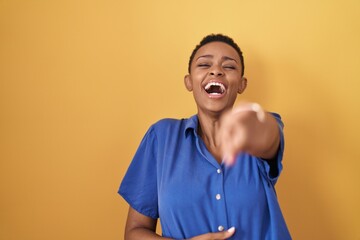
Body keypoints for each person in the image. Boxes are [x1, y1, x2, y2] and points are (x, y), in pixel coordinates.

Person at [118, 34, 292, 239]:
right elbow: (135, 232)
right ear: (189, 81)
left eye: (229, 67)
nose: (216, 70)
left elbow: (269, 137)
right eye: (204, 64)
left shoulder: (259, 127)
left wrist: (254, 127)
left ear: (242, 84)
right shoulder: (161, 137)